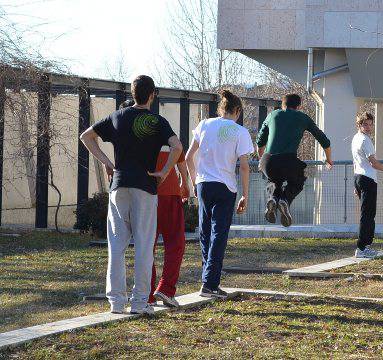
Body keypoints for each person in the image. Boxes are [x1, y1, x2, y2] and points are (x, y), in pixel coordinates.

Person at [80, 75, 183, 315]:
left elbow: (86, 136)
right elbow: (177, 147)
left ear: (132, 93)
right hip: (145, 187)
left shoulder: (117, 116)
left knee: (116, 246)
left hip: (119, 186)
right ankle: (138, 303)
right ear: (152, 95)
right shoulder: (157, 121)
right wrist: (165, 172)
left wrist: (107, 162)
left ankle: (116, 302)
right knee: (144, 246)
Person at [117, 99, 189, 308]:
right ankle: (166, 289)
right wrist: (185, 183)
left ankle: (146, 293)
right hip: (168, 193)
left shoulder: (124, 135)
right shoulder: (158, 125)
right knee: (175, 243)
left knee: (145, 245)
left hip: (143, 195)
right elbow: (180, 157)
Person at [185, 90, 253, 299]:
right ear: (238, 110)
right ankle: (210, 284)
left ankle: (208, 281)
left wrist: (194, 181)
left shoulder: (204, 124)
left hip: (204, 183)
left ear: (220, 109)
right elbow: (243, 166)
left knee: (205, 232)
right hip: (225, 186)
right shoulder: (240, 131)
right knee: (218, 234)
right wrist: (245, 194)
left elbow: (188, 157)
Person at [256, 94, 333, 227]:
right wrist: (328, 159)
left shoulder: (272, 115)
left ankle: (273, 198)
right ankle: (285, 200)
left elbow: (259, 143)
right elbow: (324, 141)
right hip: (289, 161)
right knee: (298, 182)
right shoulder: (303, 117)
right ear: (298, 106)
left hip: (268, 161)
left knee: (273, 180)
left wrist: (261, 161)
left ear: (282, 105)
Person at [352, 112, 383, 258]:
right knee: (368, 215)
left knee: (367, 214)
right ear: (359, 125)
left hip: (358, 177)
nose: (368, 127)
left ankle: (364, 246)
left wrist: (355, 184)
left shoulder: (355, 139)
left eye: (370, 124)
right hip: (368, 179)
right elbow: (373, 162)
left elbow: (355, 162)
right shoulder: (365, 140)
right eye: (365, 124)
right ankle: (362, 248)